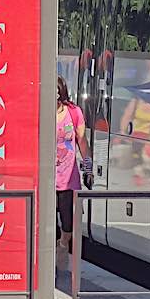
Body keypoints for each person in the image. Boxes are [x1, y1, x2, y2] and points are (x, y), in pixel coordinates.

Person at [56, 76, 91, 256]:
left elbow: (82, 142)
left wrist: (88, 168)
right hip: (47, 178)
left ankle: (62, 245)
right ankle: (50, 260)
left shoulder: (74, 112)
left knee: (68, 224)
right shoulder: (41, 113)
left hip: (68, 178)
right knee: (46, 224)